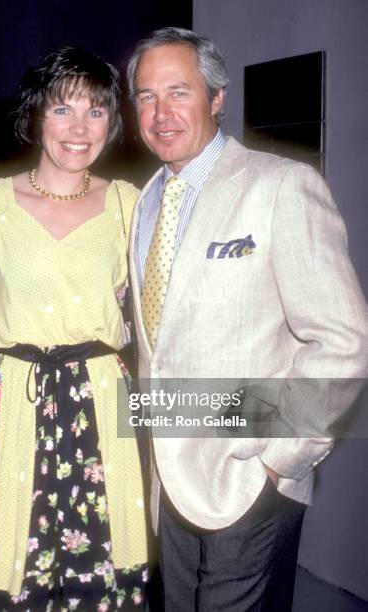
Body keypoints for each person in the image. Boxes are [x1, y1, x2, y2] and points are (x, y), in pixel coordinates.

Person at [126, 26, 368, 611]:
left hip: (250, 478)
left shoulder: (282, 187)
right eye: (146, 96)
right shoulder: (143, 201)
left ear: (217, 97)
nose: (161, 114)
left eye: (179, 92)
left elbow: (343, 342)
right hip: (167, 477)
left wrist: (276, 460)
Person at [0, 46, 149, 611]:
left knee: (103, 583)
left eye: (96, 112)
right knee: (0, 579)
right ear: (35, 115)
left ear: (112, 123)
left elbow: (158, 325)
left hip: (106, 415)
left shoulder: (132, 204)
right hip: (9, 415)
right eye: (63, 109)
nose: (80, 129)